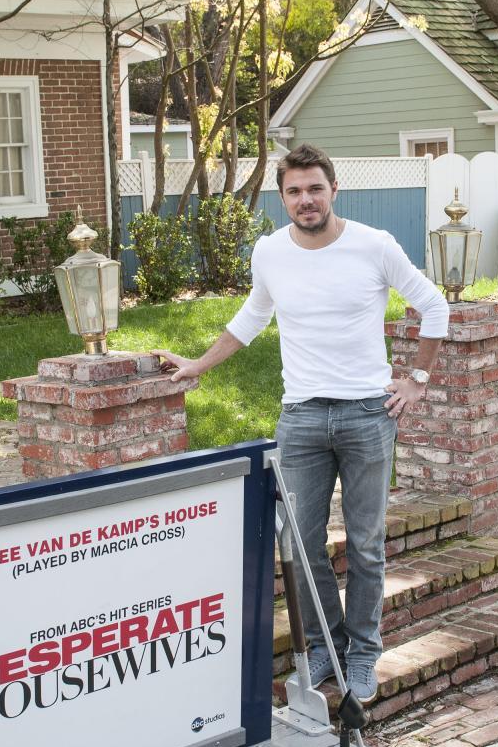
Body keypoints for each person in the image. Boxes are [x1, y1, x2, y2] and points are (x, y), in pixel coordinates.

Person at [153, 144, 448, 703]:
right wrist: (198, 365)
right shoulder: (270, 253)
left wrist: (417, 379)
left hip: (368, 413)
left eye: (315, 188)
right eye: (294, 191)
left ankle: (362, 652)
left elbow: (434, 306)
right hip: (302, 417)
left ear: (333, 189)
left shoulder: (374, 246)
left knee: (364, 544)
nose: (305, 200)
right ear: (282, 197)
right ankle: (324, 648)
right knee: (301, 542)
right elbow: (251, 317)